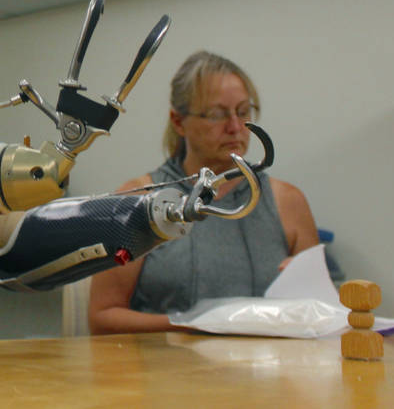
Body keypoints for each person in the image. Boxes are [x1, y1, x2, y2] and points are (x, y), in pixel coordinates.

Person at [88, 50, 319, 334]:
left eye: (244, 112)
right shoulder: (136, 201)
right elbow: (102, 318)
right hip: (166, 372)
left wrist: (306, 286)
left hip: (265, 374)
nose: (235, 127)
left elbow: (319, 314)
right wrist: (200, 327)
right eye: (216, 115)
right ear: (178, 121)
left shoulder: (288, 202)